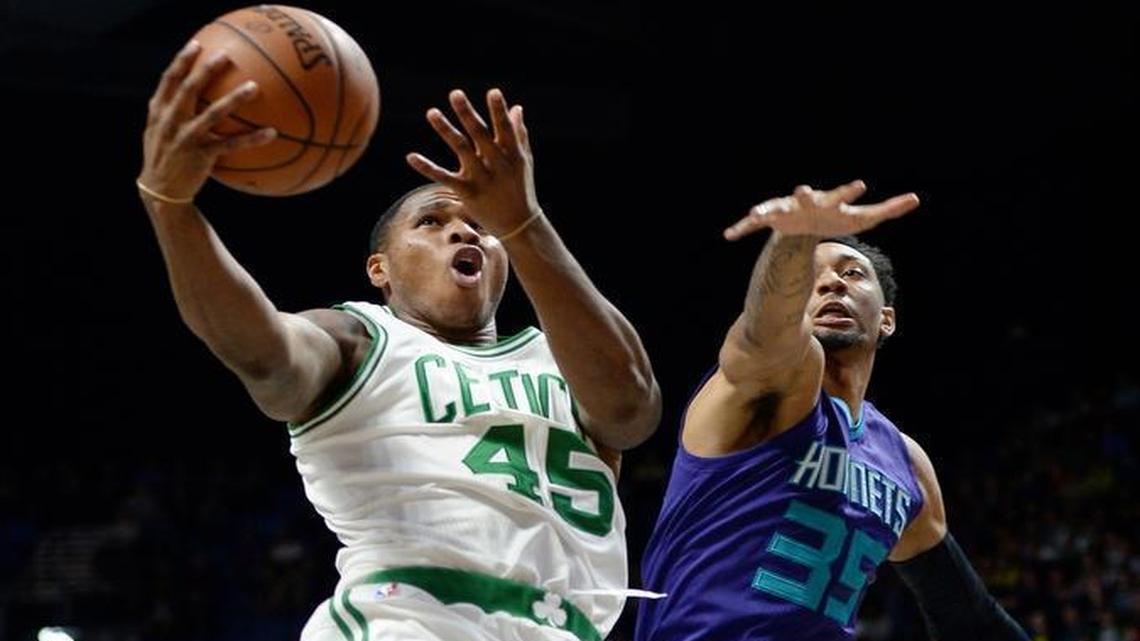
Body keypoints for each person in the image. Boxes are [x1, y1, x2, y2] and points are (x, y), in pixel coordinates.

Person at [136, 40, 661, 641]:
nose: (463, 229)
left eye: (481, 225)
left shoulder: (563, 353)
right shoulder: (361, 339)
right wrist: (171, 207)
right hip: (408, 619)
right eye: (431, 222)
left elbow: (631, 409)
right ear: (379, 269)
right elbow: (263, 352)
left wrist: (525, 221)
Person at [635, 181, 1028, 640]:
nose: (831, 282)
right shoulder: (770, 387)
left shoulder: (906, 465)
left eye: (853, 273)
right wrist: (794, 238)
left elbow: (967, 615)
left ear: (887, 318)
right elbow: (763, 334)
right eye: (812, 276)